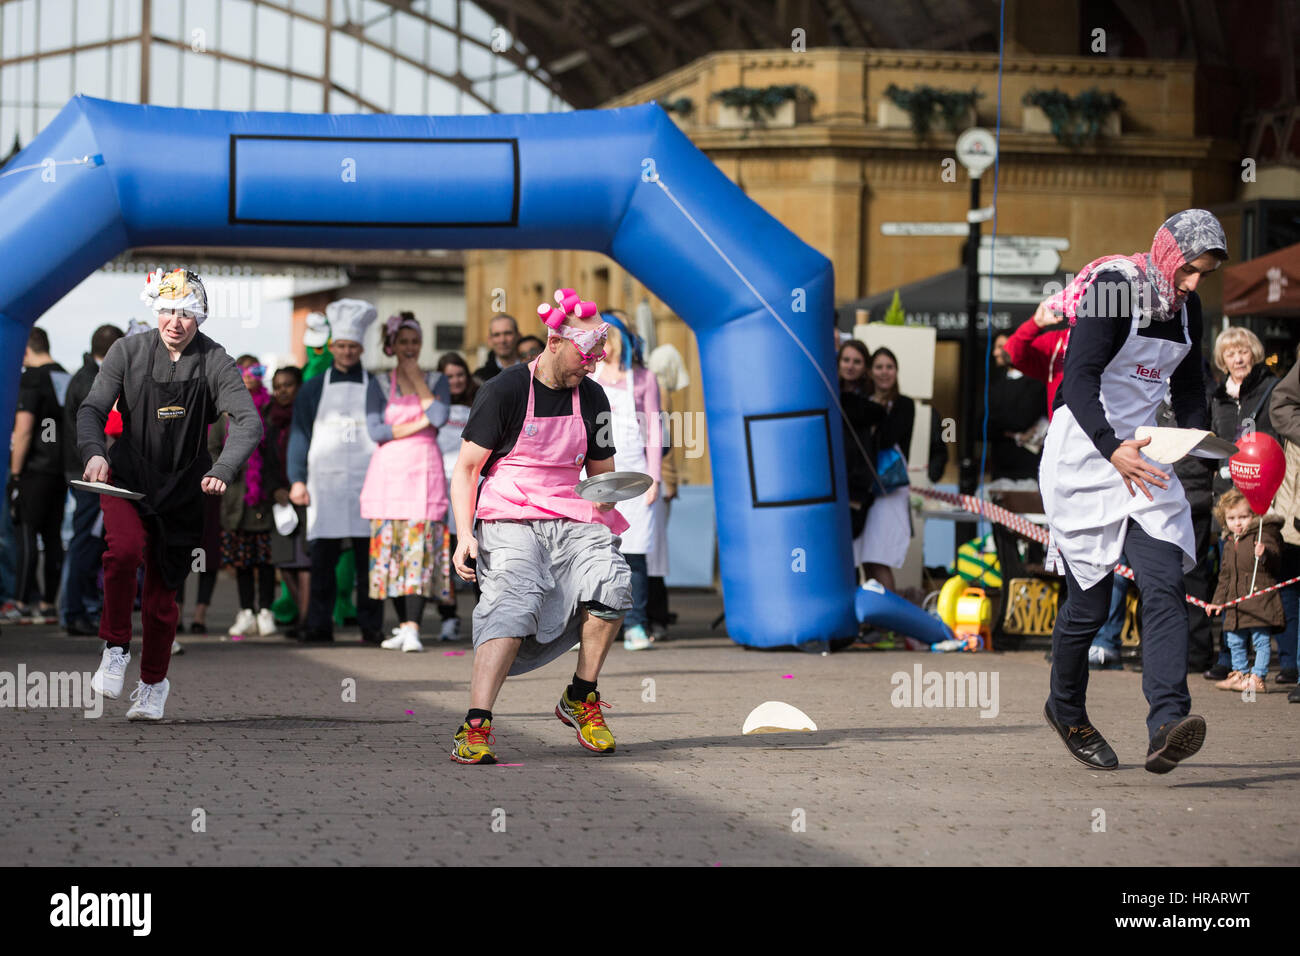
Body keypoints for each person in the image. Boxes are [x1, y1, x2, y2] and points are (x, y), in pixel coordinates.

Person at [1038, 208, 1227, 773]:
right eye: (1189, 271)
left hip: (1143, 457)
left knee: (1164, 581)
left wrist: (1200, 439)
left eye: (1204, 276)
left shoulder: (1188, 308)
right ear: (1169, 255)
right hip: (1085, 453)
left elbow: (1191, 386)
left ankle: (1167, 723)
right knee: (1088, 605)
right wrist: (1108, 445)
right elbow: (1079, 377)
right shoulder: (1115, 287)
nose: (1194, 285)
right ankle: (1065, 710)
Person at [448, 298, 631, 764]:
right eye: (584, 356)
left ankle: (581, 696)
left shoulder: (593, 397)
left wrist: (611, 493)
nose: (592, 366)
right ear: (555, 342)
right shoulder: (503, 390)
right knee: (511, 601)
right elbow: (467, 469)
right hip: (509, 512)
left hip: (571, 509)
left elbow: (600, 474)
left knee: (612, 582)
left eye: (596, 357)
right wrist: (465, 535)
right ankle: (475, 724)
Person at [79, 268, 261, 719]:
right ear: (154, 311)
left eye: (185, 312)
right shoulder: (127, 351)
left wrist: (223, 467)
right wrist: (95, 452)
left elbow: (248, 421)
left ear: (199, 316)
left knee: (163, 598)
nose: (174, 322)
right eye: (167, 311)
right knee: (123, 553)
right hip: (124, 479)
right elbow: (92, 409)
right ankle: (116, 646)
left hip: (183, 488)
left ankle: (153, 684)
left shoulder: (214, 359)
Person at [288, 299, 383, 644]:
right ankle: (318, 624)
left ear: (360, 349)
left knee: (368, 562)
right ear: (332, 347)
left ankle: (371, 626)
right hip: (324, 484)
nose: (346, 352)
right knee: (322, 561)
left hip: (366, 482)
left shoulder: (376, 385)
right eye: (341, 346)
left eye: (352, 347)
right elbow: (300, 434)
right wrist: (297, 479)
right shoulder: (313, 388)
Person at [360, 313, 452, 653]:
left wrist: (417, 381)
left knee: (419, 549)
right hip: (388, 476)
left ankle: (413, 626)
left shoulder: (437, 380)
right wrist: (419, 422)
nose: (410, 348)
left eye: (415, 342)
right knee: (392, 552)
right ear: (392, 346)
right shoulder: (379, 384)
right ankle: (402, 625)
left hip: (423, 475)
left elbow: (440, 417)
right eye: (404, 342)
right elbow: (376, 431)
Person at [1203, 327, 1279, 681]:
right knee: (1228, 573)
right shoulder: (1217, 397)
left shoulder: (1270, 389)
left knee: (1260, 573)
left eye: (1243, 351)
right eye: (1231, 353)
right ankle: (1231, 659)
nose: (1238, 358)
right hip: (1226, 499)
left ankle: (1270, 663)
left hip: (1259, 496)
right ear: (1222, 360)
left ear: (1253, 353)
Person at [592, 310, 662, 651]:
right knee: (590, 550)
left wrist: (655, 478)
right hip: (595, 474)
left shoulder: (645, 378)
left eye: (608, 335)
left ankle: (635, 625)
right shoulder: (590, 376)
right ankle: (587, 625)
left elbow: (654, 430)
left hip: (636, 474)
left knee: (634, 554)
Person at [211, 356, 283, 638]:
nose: (250, 375)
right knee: (240, 560)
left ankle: (266, 610)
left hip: (262, 496)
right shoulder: (224, 411)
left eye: (257, 370)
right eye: (244, 370)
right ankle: (245, 612)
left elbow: (276, 453)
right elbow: (213, 447)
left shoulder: (268, 410)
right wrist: (223, 472)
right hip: (234, 498)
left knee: (265, 559)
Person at [60, 323, 124, 635]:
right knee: (84, 542)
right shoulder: (92, 381)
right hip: (89, 474)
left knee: (88, 541)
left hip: (85, 470)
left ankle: (80, 607)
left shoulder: (86, 376)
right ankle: (75, 610)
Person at [10, 326, 71, 623]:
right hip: (61, 470)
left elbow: (23, 429)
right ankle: (48, 604)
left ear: (26, 349)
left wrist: (15, 472)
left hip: (34, 469)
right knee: (53, 536)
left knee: (25, 535)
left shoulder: (31, 378)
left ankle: (20, 602)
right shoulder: (64, 376)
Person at [1207, 488, 1282, 695]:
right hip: (1235, 603)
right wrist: (1217, 602)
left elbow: (1276, 561)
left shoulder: (1262, 536)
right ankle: (1239, 673)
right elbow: (1224, 577)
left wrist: (1265, 553)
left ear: (1254, 516)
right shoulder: (1230, 543)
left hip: (1259, 601)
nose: (1237, 523)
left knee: (1260, 641)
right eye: (1231, 518)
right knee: (1234, 640)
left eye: (1243, 517)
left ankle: (1257, 676)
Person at [857, 347, 913, 592]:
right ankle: (876, 622)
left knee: (881, 557)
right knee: (867, 557)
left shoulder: (904, 404)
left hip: (890, 489)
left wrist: (876, 415)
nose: (884, 372)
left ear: (897, 371)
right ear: (870, 372)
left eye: (889, 367)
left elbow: (888, 437)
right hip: (866, 487)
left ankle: (890, 627)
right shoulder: (862, 401)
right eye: (878, 367)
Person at [434, 352, 478, 640]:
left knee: (475, 557)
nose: (455, 381)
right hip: (440, 486)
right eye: (449, 376)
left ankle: (482, 615)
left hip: (470, 486)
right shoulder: (435, 407)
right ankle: (448, 617)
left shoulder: (479, 402)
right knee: (443, 557)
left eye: (460, 374)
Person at [266, 365, 310, 637]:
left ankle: (306, 621)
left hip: (305, 494)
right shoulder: (268, 419)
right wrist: (274, 490)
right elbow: (263, 460)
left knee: (304, 561)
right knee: (284, 562)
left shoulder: (306, 416)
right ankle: (302, 614)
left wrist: (298, 483)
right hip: (279, 498)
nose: (282, 391)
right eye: (278, 386)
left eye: (288, 385)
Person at [838, 341, 885, 575]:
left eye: (857, 362)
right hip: (830, 483)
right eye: (846, 360)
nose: (850, 366)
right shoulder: (827, 392)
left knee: (853, 552)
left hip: (857, 485)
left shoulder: (870, 400)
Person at [987, 332, 1047, 483]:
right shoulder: (996, 384)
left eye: (1000, 347)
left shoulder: (1036, 382)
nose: (995, 353)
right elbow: (983, 423)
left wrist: (1001, 424)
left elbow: (1021, 419)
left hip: (1028, 468)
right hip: (1000, 466)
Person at [1004, 303, 1070, 418]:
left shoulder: (1111, 339)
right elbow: (1013, 354)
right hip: (1064, 434)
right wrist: (1035, 323)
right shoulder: (1055, 342)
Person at [473, 313, 520, 382]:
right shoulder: (479, 378)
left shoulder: (533, 371)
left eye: (507, 333)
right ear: (489, 340)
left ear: (518, 336)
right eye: (496, 335)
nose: (502, 340)